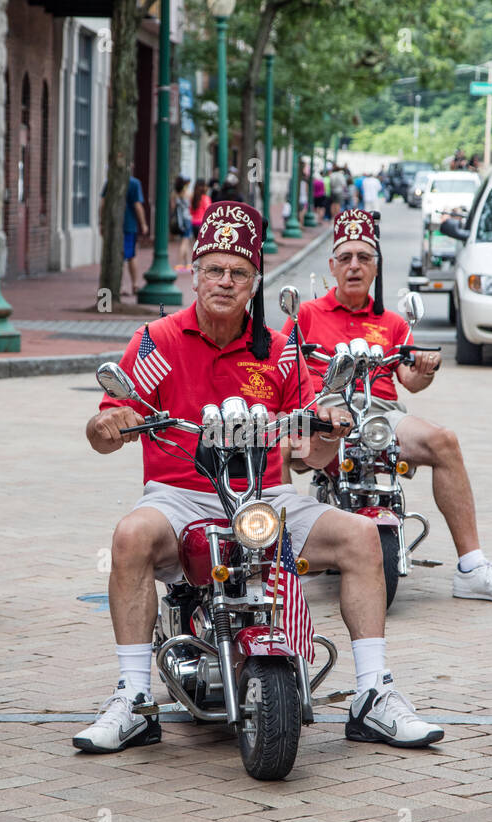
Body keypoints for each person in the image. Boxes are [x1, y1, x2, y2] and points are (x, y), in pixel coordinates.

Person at [75, 200, 444, 753]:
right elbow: (102, 435)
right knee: (130, 536)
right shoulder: (159, 342)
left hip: (266, 498)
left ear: (255, 283)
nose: (225, 282)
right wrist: (112, 420)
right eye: (214, 269)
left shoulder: (279, 351)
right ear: (194, 273)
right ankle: (133, 698)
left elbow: (309, 460)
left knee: (364, 536)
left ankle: (374, 694)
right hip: (180, 496)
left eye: (239, 272)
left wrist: (328, 430)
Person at [283, 209, 492, 605]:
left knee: (444, 441)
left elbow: (411, 380)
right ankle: (267, 561)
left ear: (376, 267)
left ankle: (472, 567)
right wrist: (303, 410)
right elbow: (279, 367)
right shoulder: (305, 316)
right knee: (277, 442)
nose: (354, 266)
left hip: (382, 412)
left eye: (364, 258)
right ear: (331, 265)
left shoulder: (393, 323)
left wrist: (426, 368)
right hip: (326, 410)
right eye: (346, 257)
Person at [99, 167, 149, 297]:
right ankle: (134, 284)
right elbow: (137, 205)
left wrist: (102, 222)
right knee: (130, 256)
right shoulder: (134, 183)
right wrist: (143, 223)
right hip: (129, 226)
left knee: (115, 255)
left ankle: (117, 286)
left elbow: (103, 203)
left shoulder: (111, 182)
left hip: (113, 226)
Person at [169, 175, 193, 272]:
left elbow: (172, 207)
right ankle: (179, 263)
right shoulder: (187, 193)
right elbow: (191, 204)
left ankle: (187, 263)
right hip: (186, 219)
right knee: (185, 241)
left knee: (184, 242)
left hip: (179, 220)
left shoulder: (174, 194)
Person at [189, 179, 212, 249]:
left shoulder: (192, 198)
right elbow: (208, 211)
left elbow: (190, 211)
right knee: (202, 246)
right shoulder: (206, 198)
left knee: (196, 244)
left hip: (193, 224)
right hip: (203, 224)